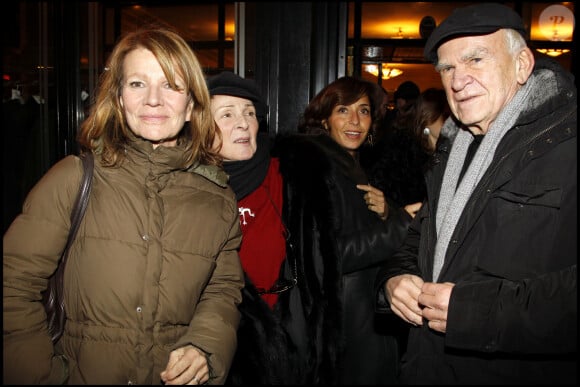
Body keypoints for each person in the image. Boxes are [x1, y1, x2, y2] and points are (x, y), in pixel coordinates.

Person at [3, 27, 244, 385]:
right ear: (117, 100)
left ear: (192, 105)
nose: (153, 100)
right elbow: (12, 285)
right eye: (137, 84)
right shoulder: (72, 179)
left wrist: (205, 346)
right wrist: (42, 376)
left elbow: (223, 289)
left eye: (171, 85)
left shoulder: (217, 198)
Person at [375, 3, 577, 384]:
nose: (457, 80)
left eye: (476, 60)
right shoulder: (454, 147)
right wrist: (394, 279)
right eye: (448, 68)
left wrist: (473, 312)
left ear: (522, 65)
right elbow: (421, 238)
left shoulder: (566, 144)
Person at [273, 76, 418, 384]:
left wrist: (388, 211)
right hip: (342, 326)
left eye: (364, 111)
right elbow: (327, 253)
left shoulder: (348, 163)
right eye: (343, 110)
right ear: (324, 118)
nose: (355, 121)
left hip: (361, 318)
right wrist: (401, 222)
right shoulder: (314, 166)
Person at [206, 71, 298, 385]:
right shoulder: (184, 188)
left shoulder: (289, 177)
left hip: (283, 344)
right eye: (227, 114)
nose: (244, 123)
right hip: (216, 348)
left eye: (249, 113)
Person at [413, 87, 451, 154]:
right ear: (427, 116)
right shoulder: (415, 153)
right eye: (445, 115)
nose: (451, 122)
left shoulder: (455, 147)